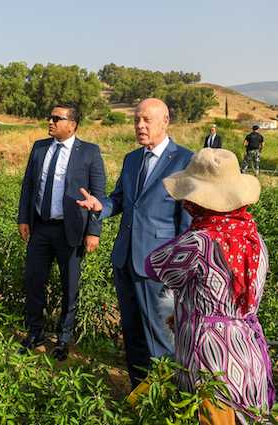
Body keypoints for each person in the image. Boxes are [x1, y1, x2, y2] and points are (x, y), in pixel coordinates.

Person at [146, 148, 275, 424]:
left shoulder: (199, 242)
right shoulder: (255, 240)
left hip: (209, 354)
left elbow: (153, 265)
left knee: (209, 414)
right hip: (247, 349)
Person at [76, 98, 193, 387]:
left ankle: (165, 400)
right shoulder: (132, 159)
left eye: (146, 120)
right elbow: (119, 199)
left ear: (165, 121)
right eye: (136, 120)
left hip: (159, 266)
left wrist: (179, 269)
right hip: (126, 259)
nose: (140, 126)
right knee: (133, 333)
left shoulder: (184, 160)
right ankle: (139, 392)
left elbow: (186, 220)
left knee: (161, 336)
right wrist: (99, 205)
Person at [17, 103, 106, 359]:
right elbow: (28, 185)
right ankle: (35, 333)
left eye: (58, 118)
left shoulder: (89, 152)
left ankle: (63, 339)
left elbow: (98, 195)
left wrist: (94, 231)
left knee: (70, 286)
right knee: (34, 281)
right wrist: (24, 218)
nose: (51, 121)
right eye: (50, 117)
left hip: (71, 230)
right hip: (41, 227)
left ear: (73, 124)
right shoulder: (39, 147)